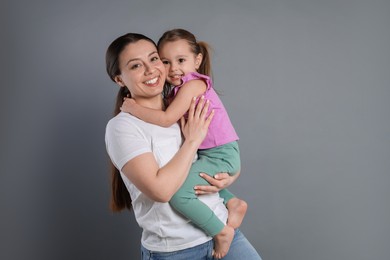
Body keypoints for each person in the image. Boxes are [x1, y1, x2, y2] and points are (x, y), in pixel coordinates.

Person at [105, 32, 261, 260]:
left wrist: (228, 178)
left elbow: (211, 154)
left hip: (223, 228)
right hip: (177, 251)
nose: (151, 70)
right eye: (136, 65)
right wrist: (192, 141)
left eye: (154, 59)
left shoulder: (180, 108)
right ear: (119, 79)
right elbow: (162, 191)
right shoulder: (123, 127)